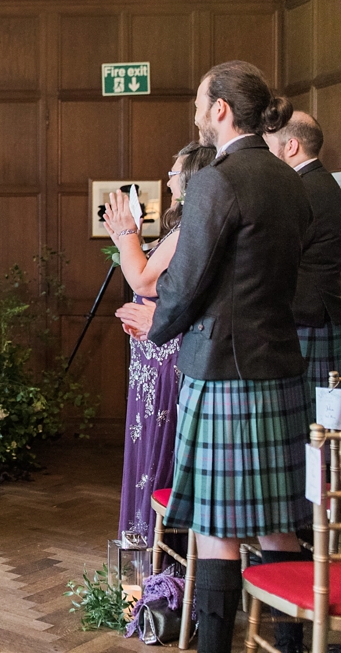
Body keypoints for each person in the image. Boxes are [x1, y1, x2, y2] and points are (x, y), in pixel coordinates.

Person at [117, 61, 310, 653]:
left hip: (223, 371)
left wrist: (157, 327)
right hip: (281, 365)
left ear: (221, 109)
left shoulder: (214, 182)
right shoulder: (290, 181)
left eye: (201, 105)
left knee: (216, 526)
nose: (197, 116)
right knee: (280, 521)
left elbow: (184, 284)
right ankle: (297, 645)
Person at [104, 143, 214, 548]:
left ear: (191, 179)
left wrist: (126, 233)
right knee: (143, 440)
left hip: (168, 355)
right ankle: (142, 549)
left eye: (175, 170)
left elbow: (144, 282)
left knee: (159, 449)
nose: (168, 177)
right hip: (151, 356)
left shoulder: (191, 227)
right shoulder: (181, 224)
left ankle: (156, 553)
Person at [265, 111, 341, 417]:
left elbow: (278, 255)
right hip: (322, 315)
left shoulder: (302, 190)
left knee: (315, 421)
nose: (267, 153)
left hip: (312, 318)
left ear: (292, 146)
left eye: (270, 143)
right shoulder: (323, 183)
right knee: (323, 417)